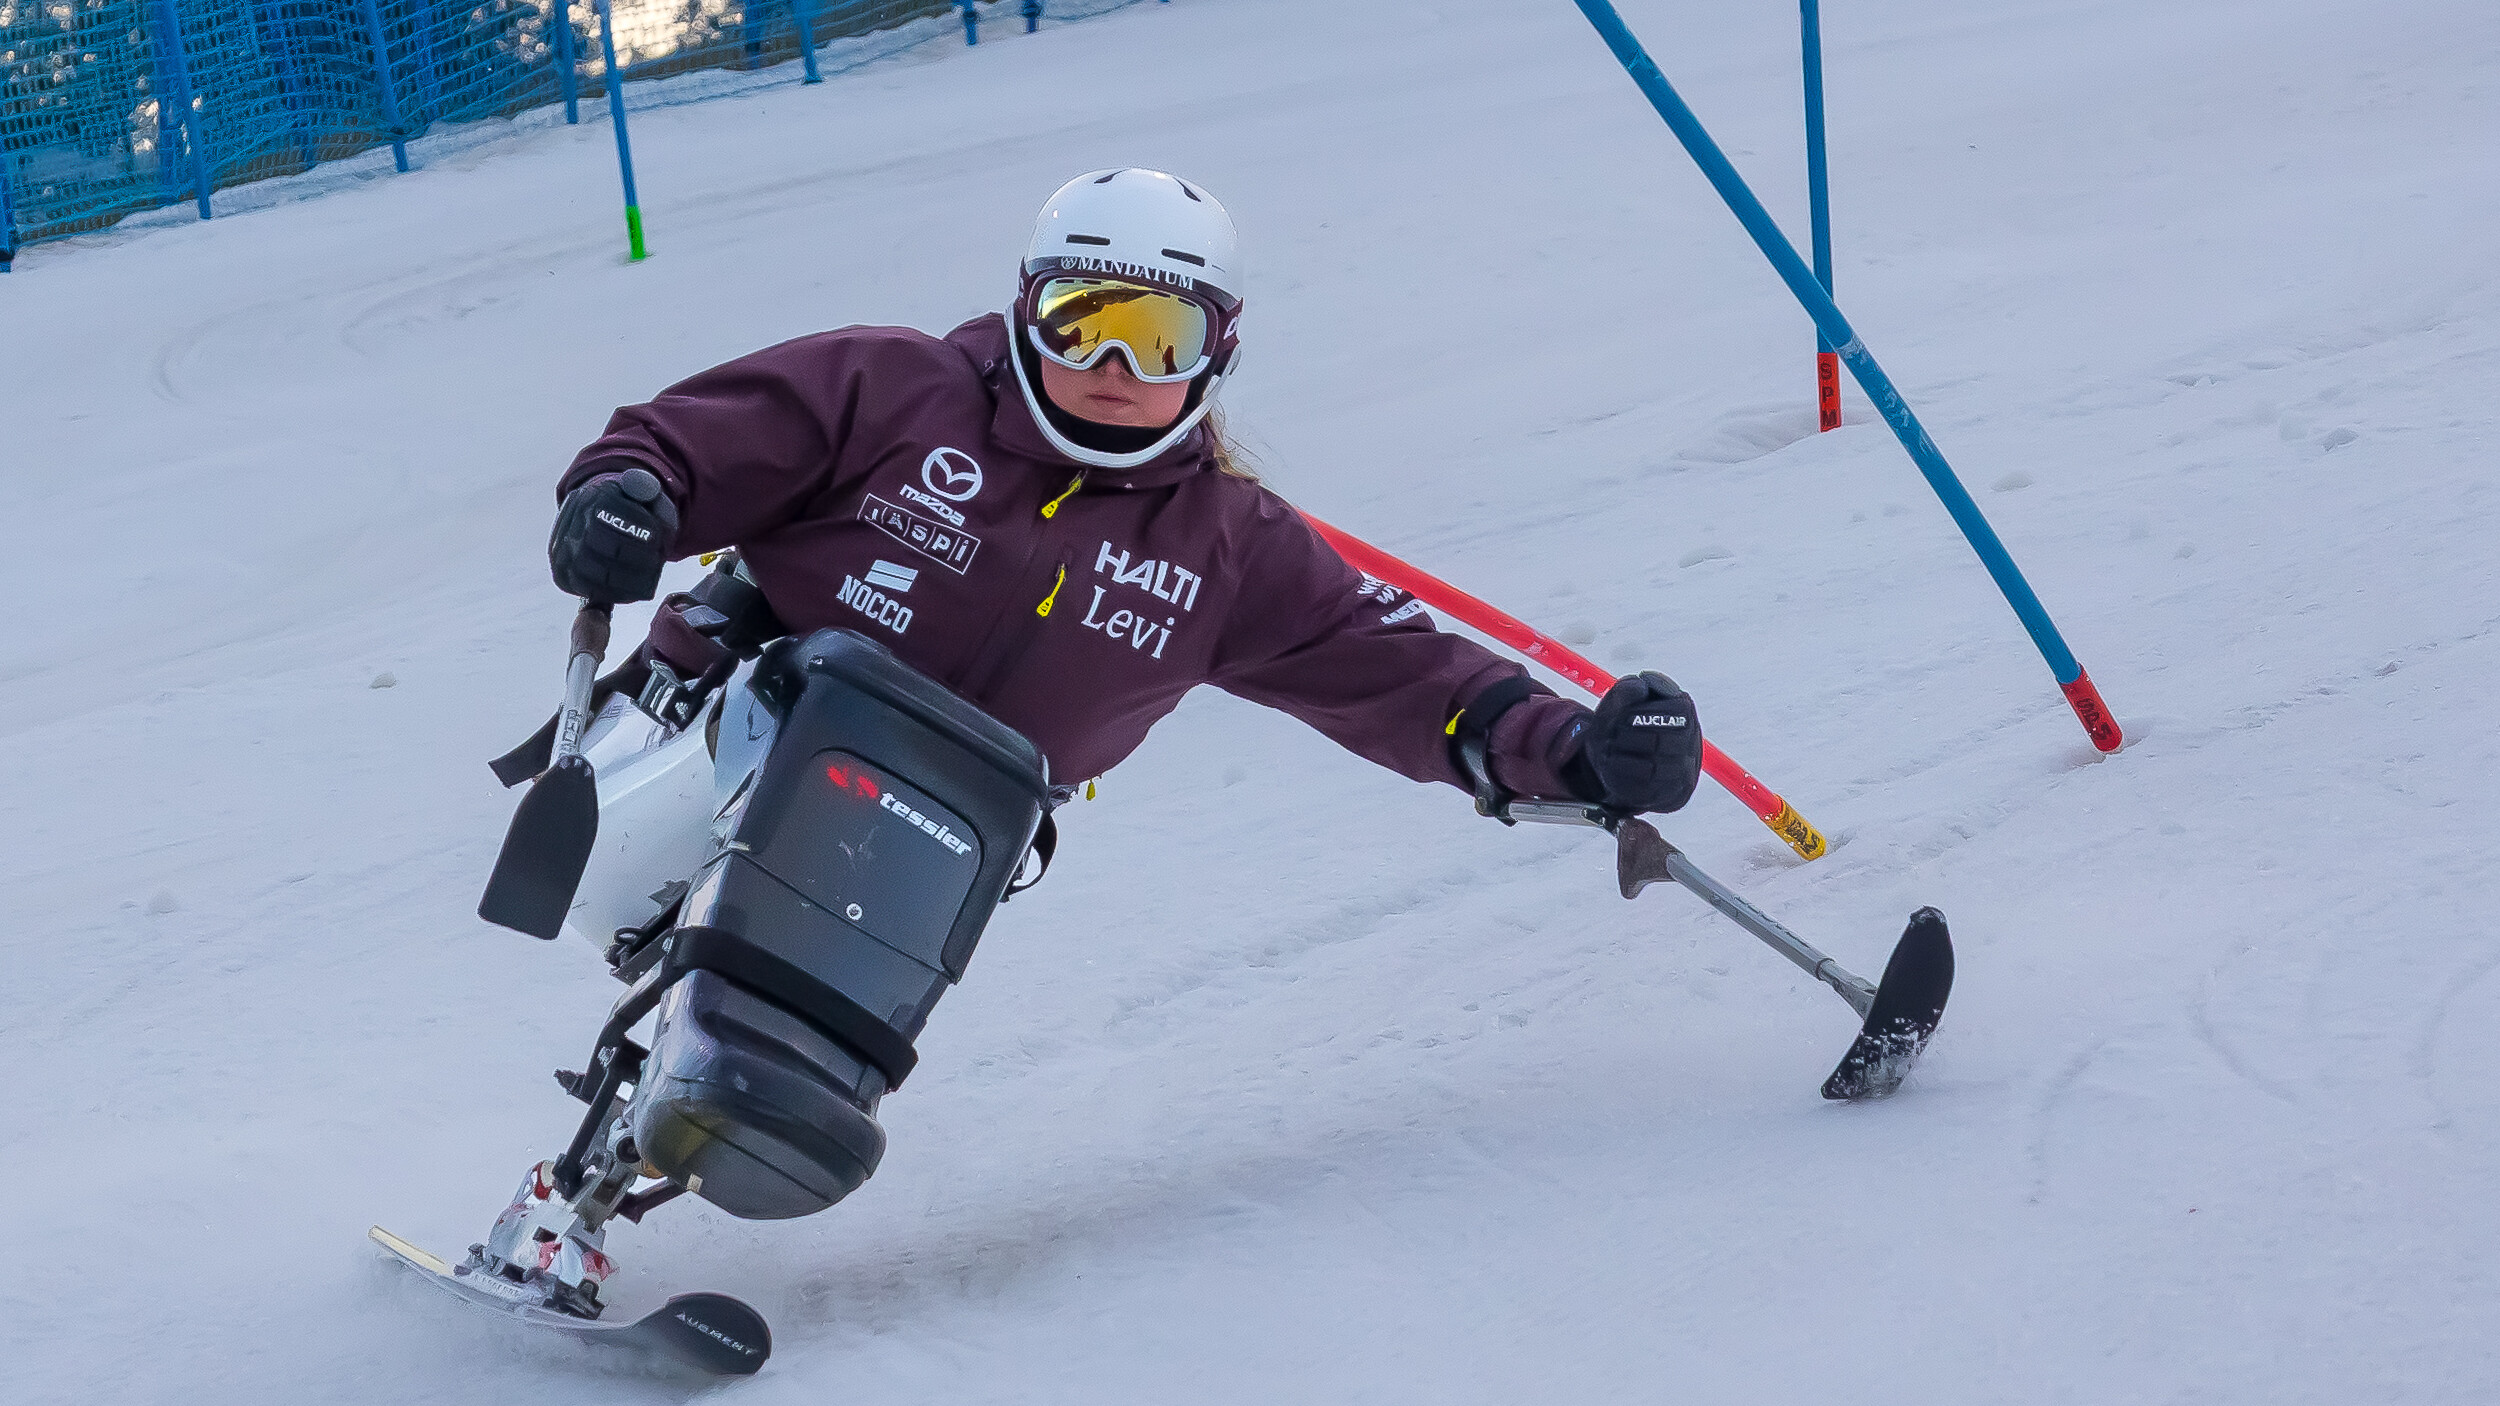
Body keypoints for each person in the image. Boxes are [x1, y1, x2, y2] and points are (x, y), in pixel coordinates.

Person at [544, 167, 1702, 828]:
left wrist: (1569, 749)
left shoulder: (1225, 547)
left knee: (792, 1034)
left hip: (935, 825)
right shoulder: (893, 388)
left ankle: (714, 1113)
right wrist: (625, 498)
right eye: (1080, 320)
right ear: (1025, 312)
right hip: (722, 718)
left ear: (1216, 354)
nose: (1112, 365)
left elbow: (1407, 675)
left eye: (1160, 338)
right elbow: (694, 441)